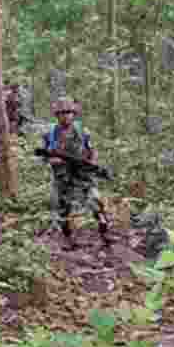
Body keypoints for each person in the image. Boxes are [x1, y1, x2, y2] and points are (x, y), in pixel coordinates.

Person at [41, 97, 112, 250]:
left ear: (74, 114)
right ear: (57, 115)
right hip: (63, 177)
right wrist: (58, 161)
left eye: (69, 112)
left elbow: (92, 151)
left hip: (83, 174)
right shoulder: (50, 134)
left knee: (97, 203)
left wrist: (91, 162)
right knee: (63, 209)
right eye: (62, 113)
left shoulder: (82, 132)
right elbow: (47, 158)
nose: (66, 116)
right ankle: (68, 239)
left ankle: (105, 235)